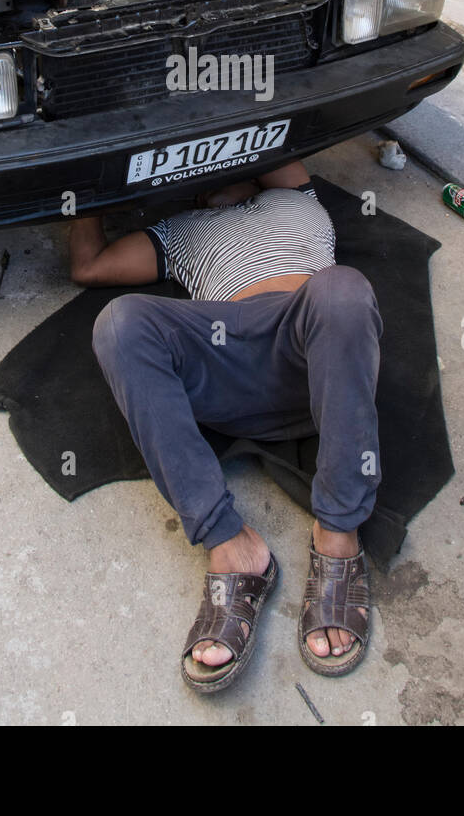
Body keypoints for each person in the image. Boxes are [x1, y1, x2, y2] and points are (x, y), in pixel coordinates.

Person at [68, 159, 383, 692]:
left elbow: (275, 131)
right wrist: (82, 177)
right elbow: (90, 266)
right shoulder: (178, 230)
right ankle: (231, 544)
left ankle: (337, 532)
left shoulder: (296, 198)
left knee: (343, 289)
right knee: (120, 322)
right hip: (224, 364)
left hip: (310, 352)